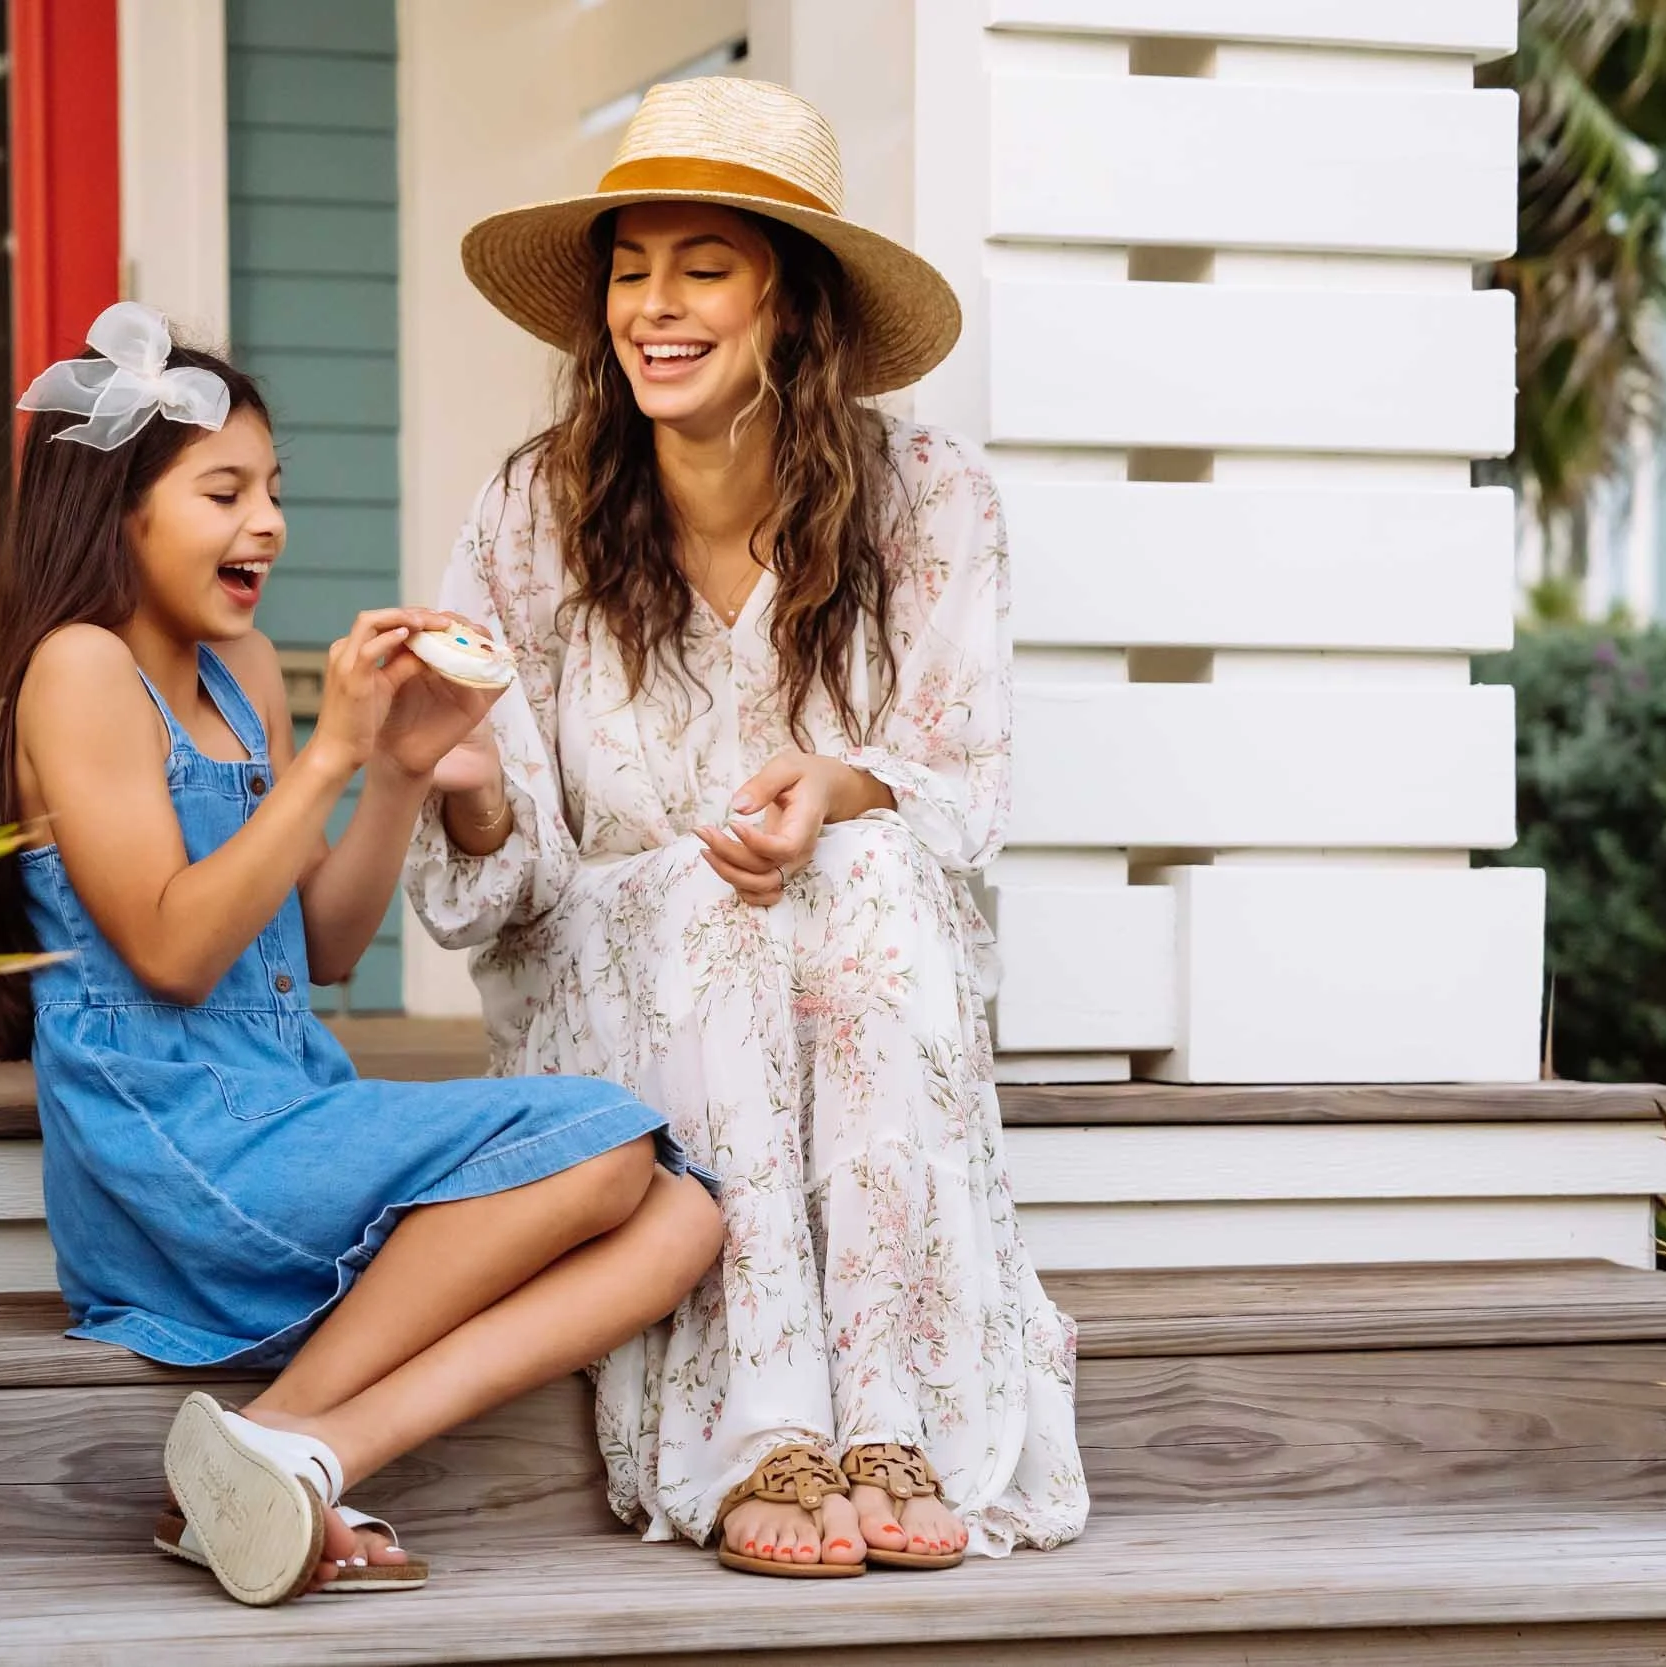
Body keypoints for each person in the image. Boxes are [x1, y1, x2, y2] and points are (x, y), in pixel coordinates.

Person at [406, 78, 1089, 1577]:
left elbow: (964, 788)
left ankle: (892, 1409)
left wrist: (839, 785)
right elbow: (491, 895)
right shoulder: (531, 513)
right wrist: (457, 782)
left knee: (869, 861)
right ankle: (767, 1423)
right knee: (717, 894)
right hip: (620, 988)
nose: (655, 305)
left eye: (702, 264)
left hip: (856, 975)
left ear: (793, 302)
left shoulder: (936, 503)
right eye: (631, 267)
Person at [0, 302, 723, 1607]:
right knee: (606, 1137)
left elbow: (317, 944)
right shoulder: (78, 671)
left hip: (293, 1114)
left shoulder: (242, 664)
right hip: (180, 1155)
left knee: (687, 1213)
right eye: (224, 491)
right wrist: (330, 751)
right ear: (118, 512)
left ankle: (297, 1446)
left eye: (272, 490)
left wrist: (398, 774)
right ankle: (266, 1447)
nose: (268, 523)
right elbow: (176, 950)